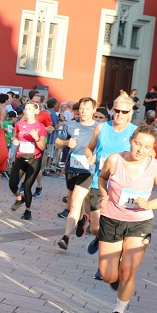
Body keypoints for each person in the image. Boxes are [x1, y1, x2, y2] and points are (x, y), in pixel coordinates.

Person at [96, 125, 157, 313]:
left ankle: (118, 312)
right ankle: (115, 270)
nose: (140, 149)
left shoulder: (155, 166)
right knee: (108, 275)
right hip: (112, 219)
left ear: (152, 148)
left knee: (128, 272)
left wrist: (149, 204)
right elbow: (102, 178)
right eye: (138, 143)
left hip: (139, 222)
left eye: (147, 146)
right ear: (131, 140)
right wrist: (104, 195)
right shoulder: (115, 160)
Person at [83, 95, 138, 271]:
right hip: (99, 183)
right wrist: (90, 156)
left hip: (123, 187)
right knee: (96, 226)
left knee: (115, 227)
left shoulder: (135, 132)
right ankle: (99, 238)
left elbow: (145, 156)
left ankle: (104, 265)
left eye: (124, 111)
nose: (120, 115)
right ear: (112, 110)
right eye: (117, 110)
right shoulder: (101, 128)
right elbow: (89, 147)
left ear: (130, 113)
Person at [53, 97, 98, 250]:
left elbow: (104, 148)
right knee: (73, 201)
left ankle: (65, 237)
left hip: (87, 171)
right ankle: (82, 219)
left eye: (87, 108)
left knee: (75, 202)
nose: (83, 111)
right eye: (82, 108)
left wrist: (95, 157)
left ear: (93, 110)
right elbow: (57, 143)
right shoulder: (71, 125)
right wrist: (66, 143)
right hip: (72, 169)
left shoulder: (99, 128)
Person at [8, 101, 46, 221]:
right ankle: (20, 198)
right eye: (25, 109)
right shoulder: (19, 124)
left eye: (29, 109)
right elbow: (15, 135)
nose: (26, 111)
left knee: (27, 186)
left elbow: (42, 146)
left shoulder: (40, 127)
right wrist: (14, 140)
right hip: (20, 158)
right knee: (12, 184)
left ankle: (28, 211)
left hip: (34, 160)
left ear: (35, 111)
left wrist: (35, 138)